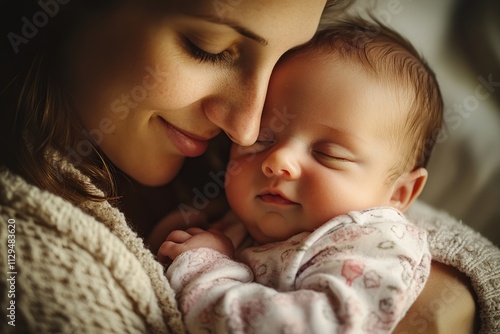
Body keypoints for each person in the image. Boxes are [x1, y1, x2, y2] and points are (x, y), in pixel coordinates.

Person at [0, 1, 497, 333]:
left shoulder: (240, 167)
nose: (246, 128)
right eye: (210, 49)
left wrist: (205, 262)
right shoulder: (22, 253)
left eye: (281, 60)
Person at [158, 16, 438, 333]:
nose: (278, 161)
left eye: (327, 154)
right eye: (261, 140)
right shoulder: (236, 221)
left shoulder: (373, 247)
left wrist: (205, 265)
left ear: (399, 194)